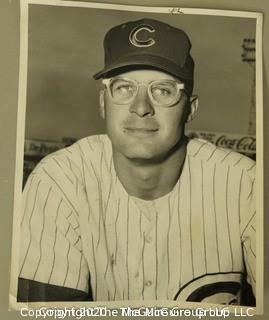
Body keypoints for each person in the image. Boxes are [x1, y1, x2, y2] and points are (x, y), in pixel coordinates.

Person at [17, 18, 256, 305]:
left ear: (190, 109)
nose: (141, 107)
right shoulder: (58, 180)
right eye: (124, 88)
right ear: (104, 102)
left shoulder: (246, 184)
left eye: (164, 90)